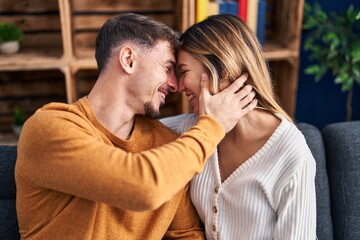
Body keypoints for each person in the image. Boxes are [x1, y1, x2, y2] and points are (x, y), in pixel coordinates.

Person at [15, 13, 257, 239]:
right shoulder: (49, 128)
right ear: (129, 60)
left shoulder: (169, 146)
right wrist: (213, 125)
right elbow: (142, 188)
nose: (175, 85)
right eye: (168, 68)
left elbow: (186, 234)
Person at [161, 14, 316, 239]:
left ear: (222, 68)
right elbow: (130, 130)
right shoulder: (194, 131)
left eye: (184, 72)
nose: (179, 86)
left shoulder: (290, 153)